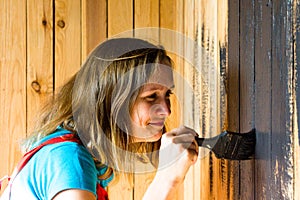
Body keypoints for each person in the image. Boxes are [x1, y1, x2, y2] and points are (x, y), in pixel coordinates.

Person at [0, 38, 199, 200]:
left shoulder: (71, 153)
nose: (166, 110)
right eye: (151, 96)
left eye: (168, 95)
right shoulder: (70, 160)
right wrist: (166, 179)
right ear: (112, 102)